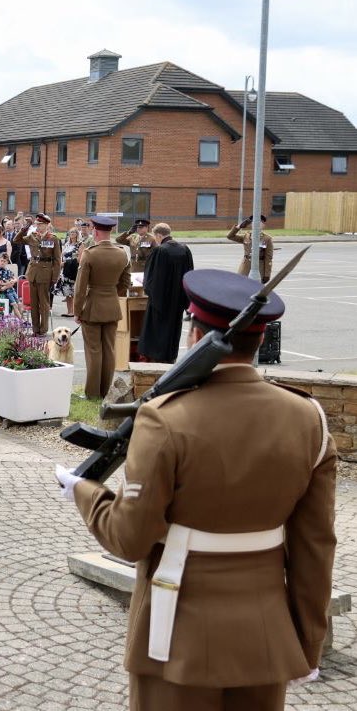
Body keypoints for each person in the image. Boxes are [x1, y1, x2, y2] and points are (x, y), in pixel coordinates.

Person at [56, 269, 336, 711]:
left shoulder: (165, 419)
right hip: (266, 638)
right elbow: (315, 549)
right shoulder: (309, 419)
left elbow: (130, 539)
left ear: (195, 334)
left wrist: (84, 492)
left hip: (176, 635)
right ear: (260, 341)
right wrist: (308, 643)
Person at [73, 216, 131, 398]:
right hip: (112, 306)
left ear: (95, 231)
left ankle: (92, 393)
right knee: (109, 349)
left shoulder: (90, 253)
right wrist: (113, 295)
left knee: (94, 351)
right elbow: (125, 283)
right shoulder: (122, 253)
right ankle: (105, 391)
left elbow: (80, 288)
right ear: (111, 231)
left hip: (92, 307)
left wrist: (77, 310)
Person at [137, 223, 194, 363]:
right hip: (178, 301)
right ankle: (171, 357)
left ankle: (157, 360)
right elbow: (189, 275)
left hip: (160, 302)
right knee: (173, 331)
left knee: (158, 332)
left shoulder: (159, 251)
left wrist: (145, 285)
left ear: (158, 235)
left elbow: (152, 279)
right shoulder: (184, 250)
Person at [25, 213, 62, 336]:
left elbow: (57, 260)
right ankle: (35, 329)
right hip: (33, 273)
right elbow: (16, 240)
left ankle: (43, 329)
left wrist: (55, 277)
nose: (38, 226)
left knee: (44, 304)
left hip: (45, 273)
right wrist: (25, 228)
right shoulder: (32, 236)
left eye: (40, 224)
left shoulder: (53, 238)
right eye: (37, 224)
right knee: (34, 303)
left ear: (47, 225)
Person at [227, 215, 274, 282]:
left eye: (260, 222)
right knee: (241, 286)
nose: (256, 224)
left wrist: (267, 274)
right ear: (251, 224)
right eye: (254, 222)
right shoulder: (246, 236)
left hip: (258, 266)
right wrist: (239, 227)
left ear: (263, 225)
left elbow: (268, 258)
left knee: (255, 288)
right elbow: (230, 236)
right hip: (245, 267)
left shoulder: (267, 239)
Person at [58, 227, 81, 316]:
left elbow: (80, 259)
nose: (72, 234)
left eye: (74, 232)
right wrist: (61, 263)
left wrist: (66, 263)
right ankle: (69, 312)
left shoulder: (80, 244)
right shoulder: (66, 244)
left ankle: (76, 312)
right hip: (65, 270)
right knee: (67, 292)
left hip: (74, 270)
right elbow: (61, 255)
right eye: (71, 232)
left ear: (77, 234)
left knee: (74, 292)